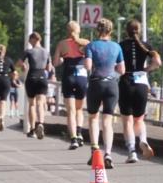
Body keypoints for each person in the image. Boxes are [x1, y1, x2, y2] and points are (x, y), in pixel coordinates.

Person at [83, 18, 125, 169]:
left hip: (96, 83)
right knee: (107, 121)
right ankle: (108, 154)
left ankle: (95, 150)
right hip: (112, 85)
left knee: (93, 118)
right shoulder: (117, 47)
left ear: (97, 30)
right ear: (111, 31)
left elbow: (88, 66)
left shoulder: (91, 46)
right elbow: (122, 70)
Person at [118, 19, 161, 163]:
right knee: (139, 119)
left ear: (126, 31)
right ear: (139, 31)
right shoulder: (146, 46)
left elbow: (117, 66)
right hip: (141, 84)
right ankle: (143, 140)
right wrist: (147, 70)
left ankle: (131, 151)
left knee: (127, 121)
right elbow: (158, 62)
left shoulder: (121, 46)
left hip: (126, 82)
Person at [53, 21, 90, 150]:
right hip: (82, 77)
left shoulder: (61, 44)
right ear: (78, 30)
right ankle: (79, 133)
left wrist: (63, 59)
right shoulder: (86, 43)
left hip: (68, 76)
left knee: (71, 111)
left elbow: (55, 62)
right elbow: (91, 60)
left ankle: (73, 138)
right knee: (79, 109)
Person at [22, 32, 52, 138]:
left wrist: (23, 66)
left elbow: (19, 63)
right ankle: (41, 123)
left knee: (32, 104)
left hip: (32, 77)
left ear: (34, 39)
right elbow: (49, 68)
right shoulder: (46, 52)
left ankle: (32, 129)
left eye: (30, 40)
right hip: (42, 77)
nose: (29, 43)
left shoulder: (28, 52)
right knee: (40, 102)